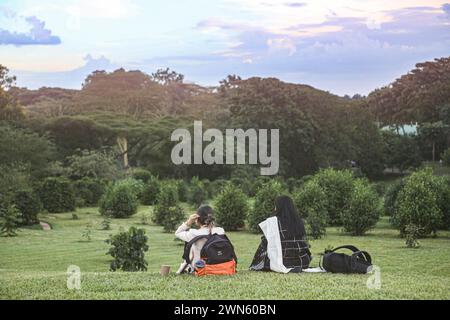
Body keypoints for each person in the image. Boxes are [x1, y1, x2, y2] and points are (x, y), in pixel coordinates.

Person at [249, 195, 312, 273]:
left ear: (279, 207)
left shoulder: (272, 222)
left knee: (265, 244)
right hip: (302, 262)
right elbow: (304, 244)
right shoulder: (299, 222)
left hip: (284, 262)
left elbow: (265, 243)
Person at [175, 205, 225, 274]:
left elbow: (178, 233)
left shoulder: (194, 233)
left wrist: (188, 222)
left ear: (197, 219)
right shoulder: (220, 231)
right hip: (219, 266)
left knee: (189, 244)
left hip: (200, 268)